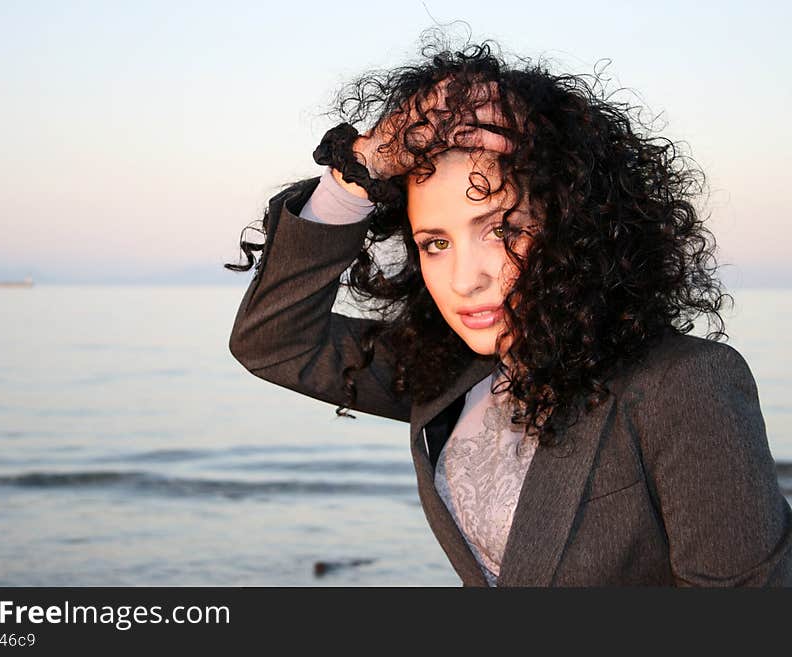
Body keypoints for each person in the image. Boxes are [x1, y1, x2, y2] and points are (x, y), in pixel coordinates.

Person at [227, 37, 792, 586]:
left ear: (575, 229)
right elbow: (275, 343)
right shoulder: (446, 370)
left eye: (502, 231)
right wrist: (359, 171)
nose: (465, 280)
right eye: (435, 243)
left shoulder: (684, 381)